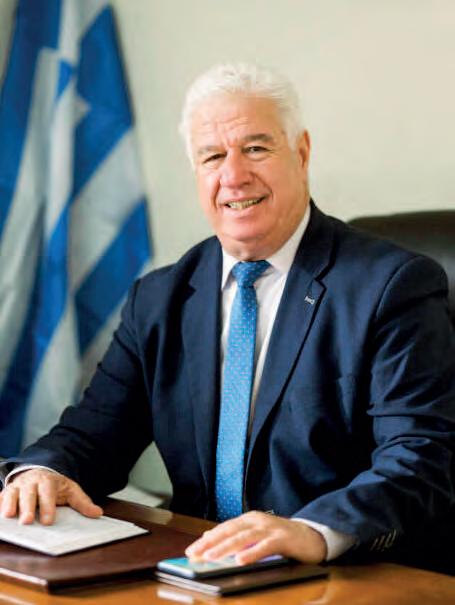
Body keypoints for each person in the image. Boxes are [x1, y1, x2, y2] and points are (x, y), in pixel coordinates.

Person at [1, 63, 455, 570]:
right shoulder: (160, 296)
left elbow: (419, 457)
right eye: (213, 156)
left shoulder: (392, 286)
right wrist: (42, 473)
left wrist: (312, 530)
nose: (234, 176)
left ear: (302, 153)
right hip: (198, 568)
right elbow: (94, 434)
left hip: (344, 574)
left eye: (256, 148)